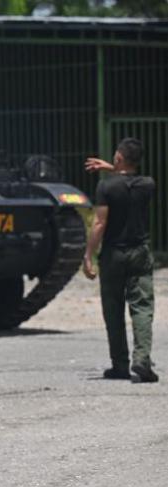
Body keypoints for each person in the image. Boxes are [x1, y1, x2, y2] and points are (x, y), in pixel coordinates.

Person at [83, 137, 158, 383]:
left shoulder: (106, 187)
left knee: (113, 309)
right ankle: (142, 360)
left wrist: (89, 256)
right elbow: (128, 180)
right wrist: (113, 168)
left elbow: (100, 223)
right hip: (140, 252)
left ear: (118, 158)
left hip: (113, 254)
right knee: (142, 307)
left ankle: (120, 365)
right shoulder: (148, 184)